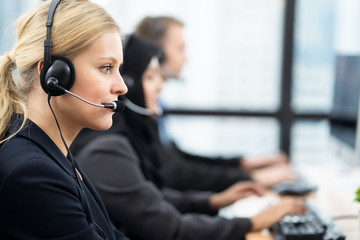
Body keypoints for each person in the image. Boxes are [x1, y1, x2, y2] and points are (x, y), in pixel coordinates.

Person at [71, 34, 306, 240]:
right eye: (151, 77)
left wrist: (214, 200)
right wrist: (256, 221)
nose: (161, 86)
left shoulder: (126, 136)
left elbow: (152, 196)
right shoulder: (107, 150)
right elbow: (172, 230)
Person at [0, 0, 129, 239]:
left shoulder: (54, 153)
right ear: (54, 75)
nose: (122, 87)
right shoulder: (33, 174)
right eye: (106, 68)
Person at [133, 16, 298, 192]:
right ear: (158, 53)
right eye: (181, 49)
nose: (185, 58)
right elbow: (174, 172)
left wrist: (243, 164)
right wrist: (250, 179)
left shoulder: (157, 103)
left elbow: (176, 158)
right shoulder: (140, 109)